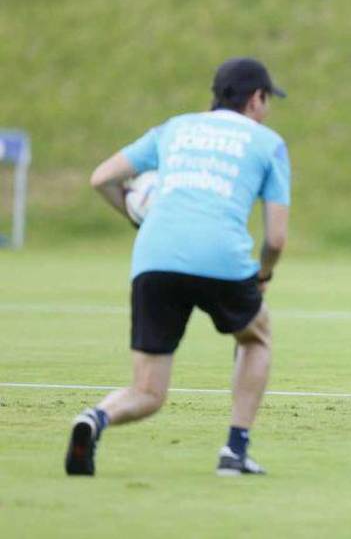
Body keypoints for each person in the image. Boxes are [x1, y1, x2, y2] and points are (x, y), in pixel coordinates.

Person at [66, 58, 290, 477]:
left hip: (155, 256)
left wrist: (142, 221)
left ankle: (94, 419)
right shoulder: (267, 142)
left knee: (147, 390)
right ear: (256, 99)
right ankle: (234, 452)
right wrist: (263, 275)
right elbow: (276, 239)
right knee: (255, 337)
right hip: (222, 255)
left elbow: (102, 178)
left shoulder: (174, 128)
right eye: (267, 99)